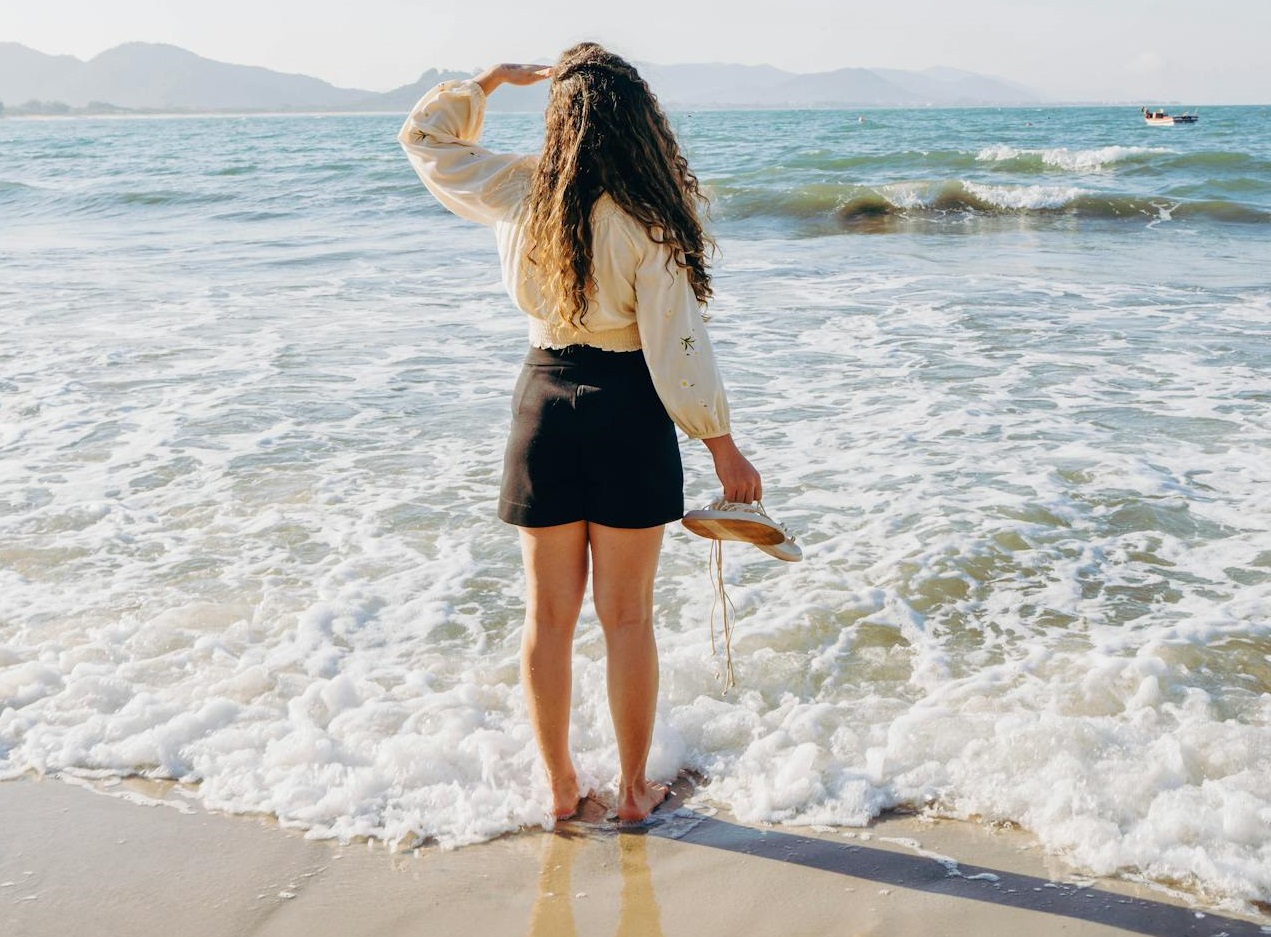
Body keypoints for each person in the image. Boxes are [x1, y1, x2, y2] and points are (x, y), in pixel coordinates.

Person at [398, 42, 762, 823]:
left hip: (544, 404)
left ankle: (560, 787)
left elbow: (425, 141)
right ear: (637, 123)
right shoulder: (646, 217)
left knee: (548, 615)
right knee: (626, 615)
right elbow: (678, 347)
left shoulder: (516, 191)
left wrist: (488, 83)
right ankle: (634, 793)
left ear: (559, 118)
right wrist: (720, 444)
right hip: (628, 409)